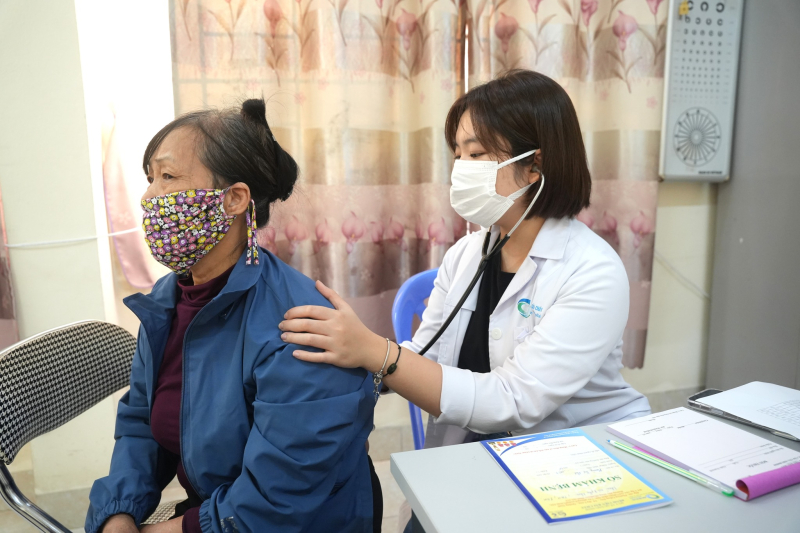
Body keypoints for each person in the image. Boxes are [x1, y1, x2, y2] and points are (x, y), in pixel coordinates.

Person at [279, 70, 652, 529]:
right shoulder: (466, 254)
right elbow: (425, 355)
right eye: (457, 154)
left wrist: (375, 351)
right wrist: (347, 356)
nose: (460, 168)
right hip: (478, 454)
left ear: (534, 166)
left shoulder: (592, 270)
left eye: (476, 154)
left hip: (574, 465)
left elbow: (514, 401)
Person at [86, 99, 380, 533]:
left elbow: (276, 500)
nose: (148, 198)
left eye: (168, 177)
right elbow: (141, 424)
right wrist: (119, 512)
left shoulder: (300, 325)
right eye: (149, 179)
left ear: (235, 199)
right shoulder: (166, 303)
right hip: (213, 512)